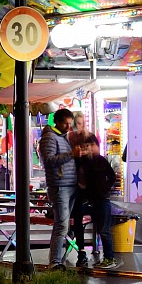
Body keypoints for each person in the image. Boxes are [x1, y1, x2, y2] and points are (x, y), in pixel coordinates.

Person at [38, 108, 77, 271]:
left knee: (66, 225)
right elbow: (48, 160)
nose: (69, 127)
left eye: (70, 123)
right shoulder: (49, 138)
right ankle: (54, 261)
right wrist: (71, 155)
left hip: (71, 184)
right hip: (59, 186)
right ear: (58, 122)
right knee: (61, 224)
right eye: (66, 124)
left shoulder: (65, 137)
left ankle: (61, 256)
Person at [77, 134, 120, 270]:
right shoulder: (84, 161)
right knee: (100, 228)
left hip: (103, 200)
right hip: (93, 200)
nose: (87, 149)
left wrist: (104, 189)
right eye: (85, 147)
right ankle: (104, 257)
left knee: (104, 230)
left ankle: (109, 257)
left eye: (89, 146)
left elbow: (112, 176)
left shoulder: (101, 161)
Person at [67, 110, 94, 268]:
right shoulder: (70, 139)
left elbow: (95, 158)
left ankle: (90, 250)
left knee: (86, 216)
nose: (80, 127)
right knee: (77, 218)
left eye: (82, 124)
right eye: (78, 124)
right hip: (74, 185)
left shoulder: (89, 137)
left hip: (87, 186)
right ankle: (82, 251)